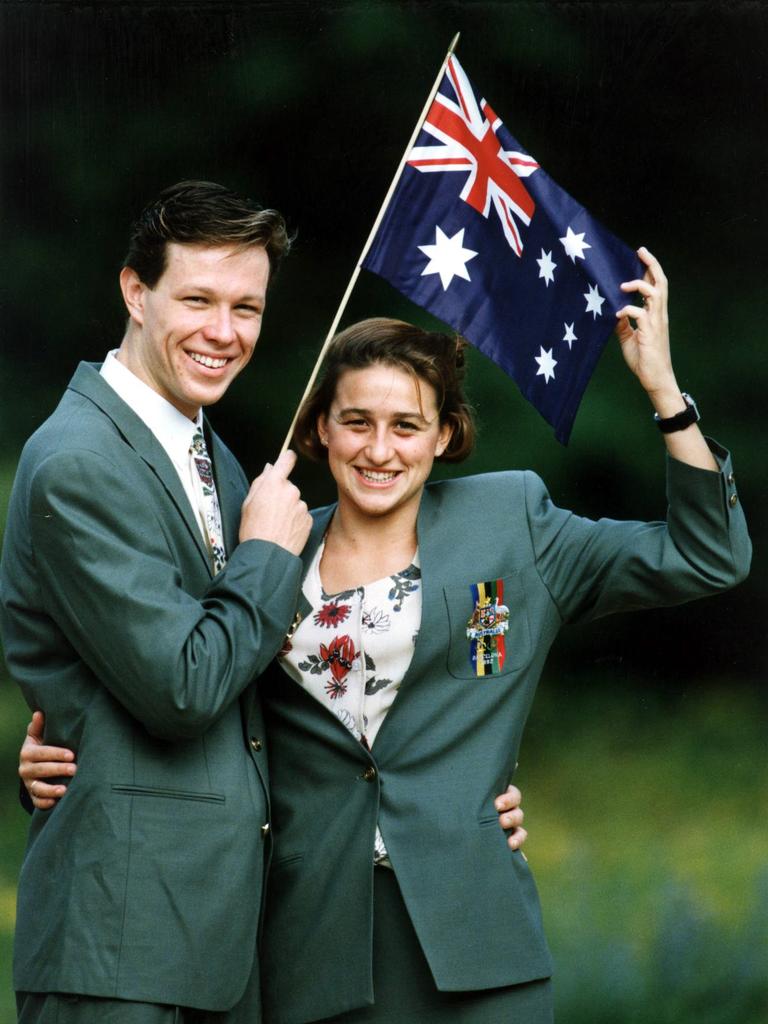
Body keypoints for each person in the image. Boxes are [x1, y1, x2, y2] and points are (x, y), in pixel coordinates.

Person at [18, 248, 746, 1024]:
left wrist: (666, 393)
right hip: (308, 948)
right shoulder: (262, 550)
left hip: (478, 942)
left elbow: (708, 556)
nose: (379, 449)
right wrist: (54, 753)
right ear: (320, 430)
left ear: (444, 436)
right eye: (357, 422)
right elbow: (178, 671)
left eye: (407, 426)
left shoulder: (514, 526)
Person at [5, 180, 526, 1024]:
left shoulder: (217, 460)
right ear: (136, 293)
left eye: (245, 306)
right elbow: (182, 687)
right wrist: (262, 556)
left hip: (222, 944)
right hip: (123, 947)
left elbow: (257, 689)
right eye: (198, 299)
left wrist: (462, 787)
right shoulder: (80, 462)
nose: (223, 332)